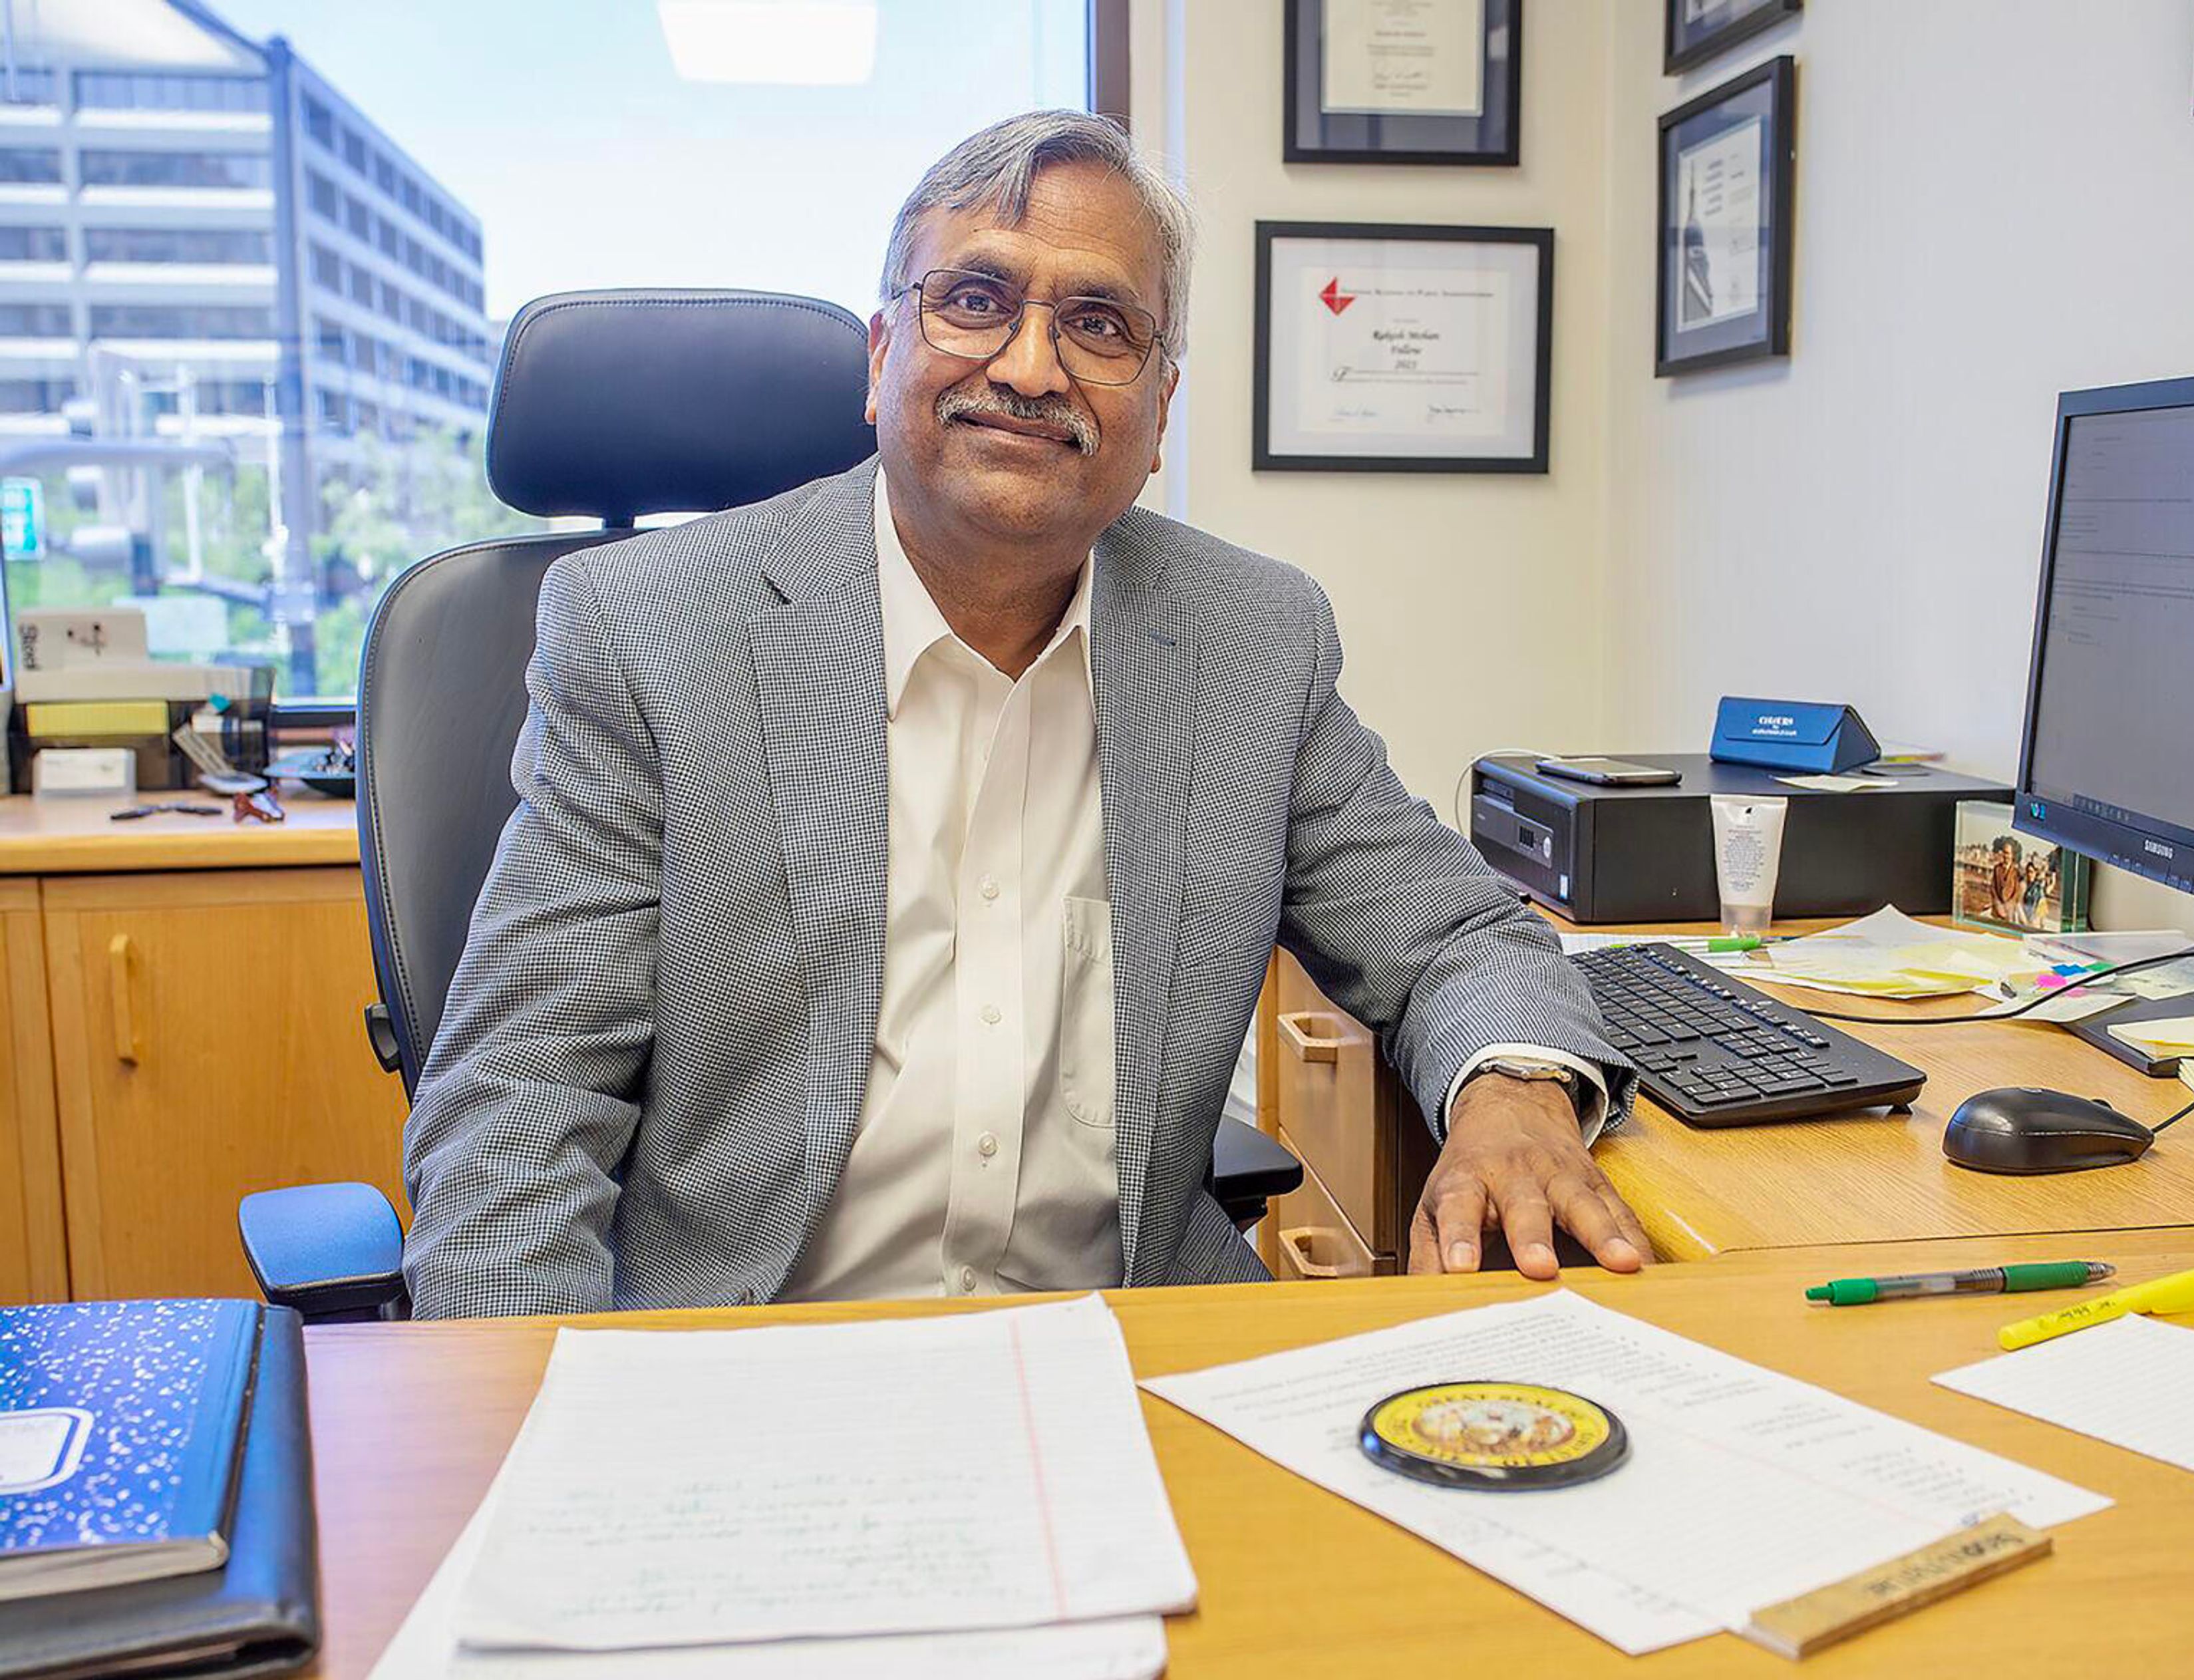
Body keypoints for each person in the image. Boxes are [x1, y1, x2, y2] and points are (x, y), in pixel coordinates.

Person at [400, 111, 1652, 1318]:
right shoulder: (648, 630)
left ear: (1159, 411)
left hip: (1129, 1353)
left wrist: (1517, 1092)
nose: (1030, 365)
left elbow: (1455, 939)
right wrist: (539, 1431)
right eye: (976, 299)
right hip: (762, 1354)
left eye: (1100, 323)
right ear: (884, 356)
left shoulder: (1252, 643)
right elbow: (517, 1110)